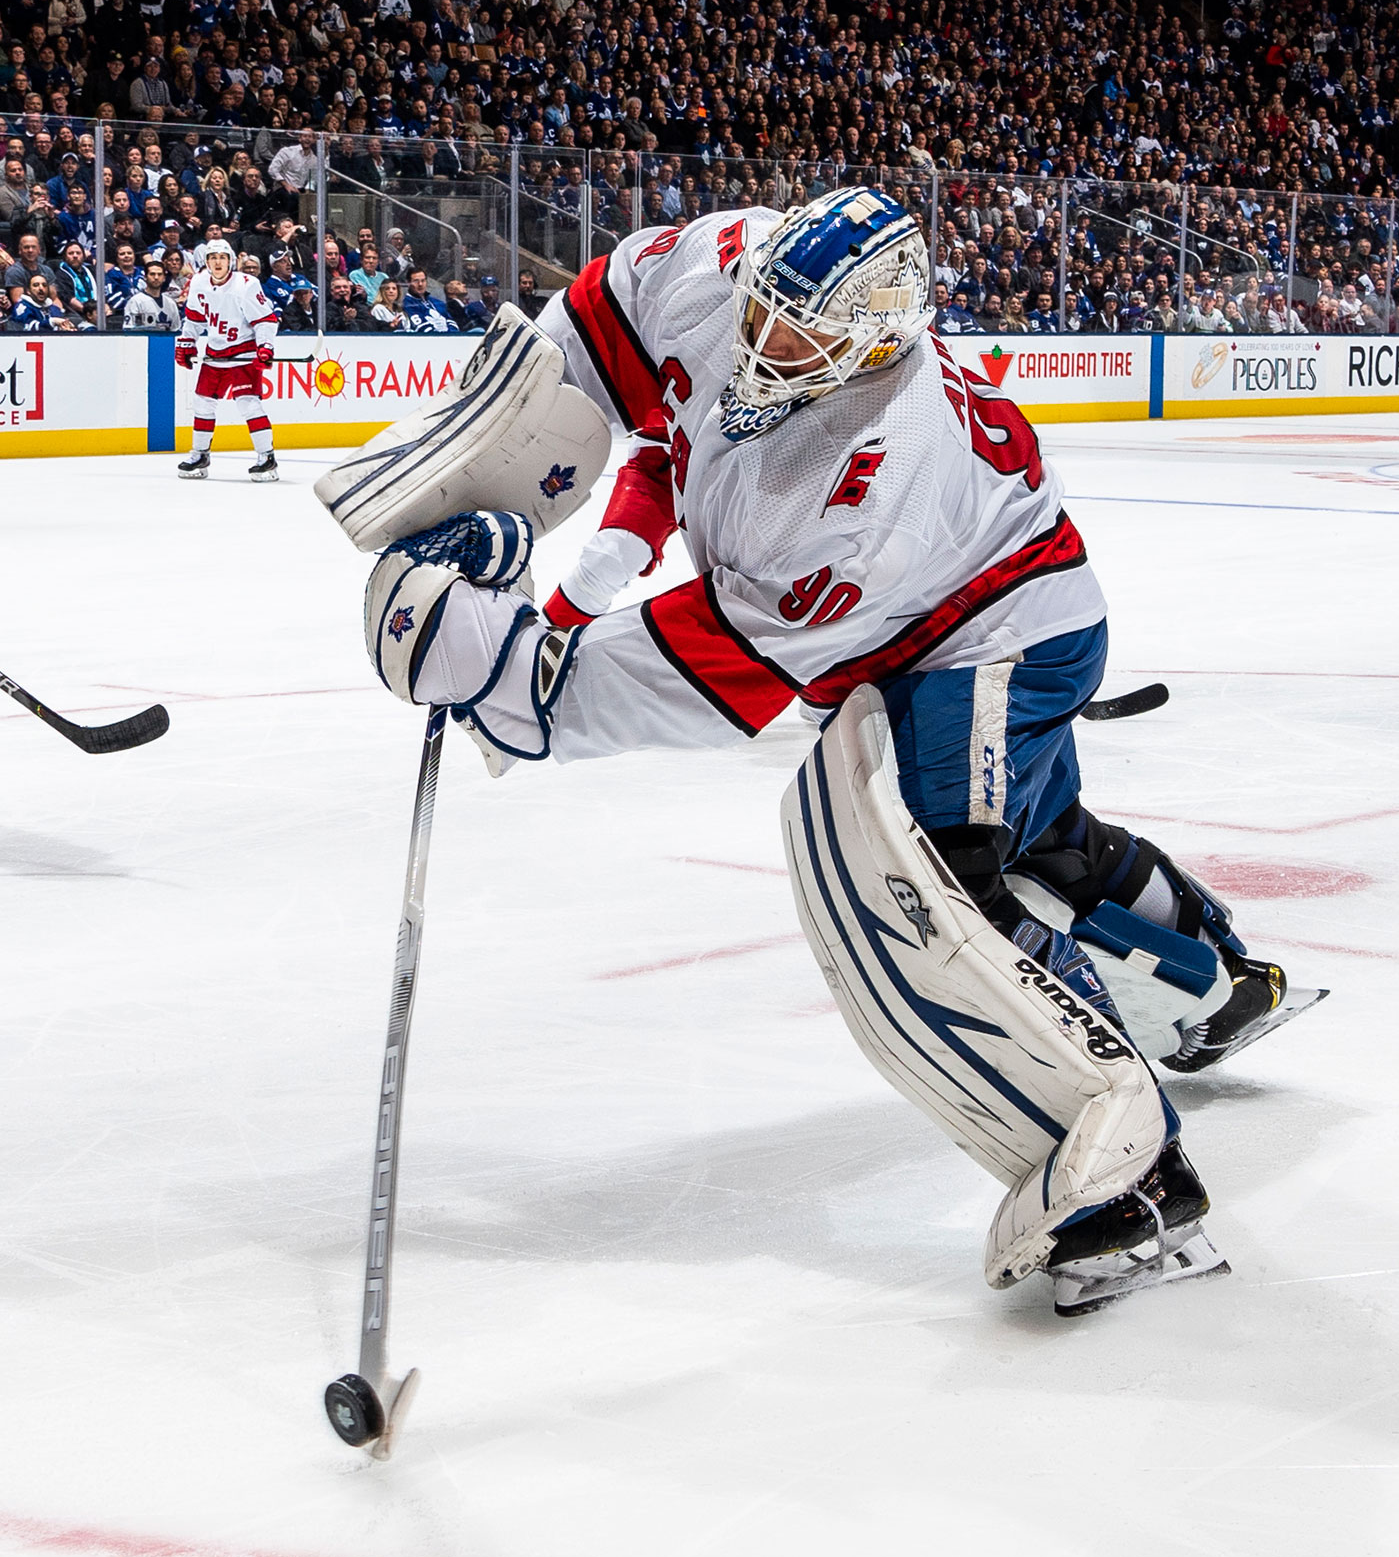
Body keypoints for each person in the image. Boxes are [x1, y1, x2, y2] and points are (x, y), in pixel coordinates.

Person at [353, 188, 1317, 1317]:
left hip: (995, 629)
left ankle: (1123, 1171)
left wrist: (511, 681)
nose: (763, 341)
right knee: (1044, 853)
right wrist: (470, 484)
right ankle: (1220, 985)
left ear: (877, 334)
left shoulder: (871, 470)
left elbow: (709, 675)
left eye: (799, 333)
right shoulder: (718, 261)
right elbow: (585, 357)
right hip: (943, 609)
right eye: (763, 309)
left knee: (937, 882)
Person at [174, 238, 278, 480]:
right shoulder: (198, 282)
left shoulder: (246, 285)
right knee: (202, 403)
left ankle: (267, 458)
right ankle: (200, 455)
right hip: (215, 353)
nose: (217, 262)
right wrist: (187, 342)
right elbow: (194, 318)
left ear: (231, 261)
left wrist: (265, 347)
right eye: (213, 258)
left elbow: (265, 320)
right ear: (206, 262)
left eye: (222, 257)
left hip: (243, 353)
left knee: (248, 404)